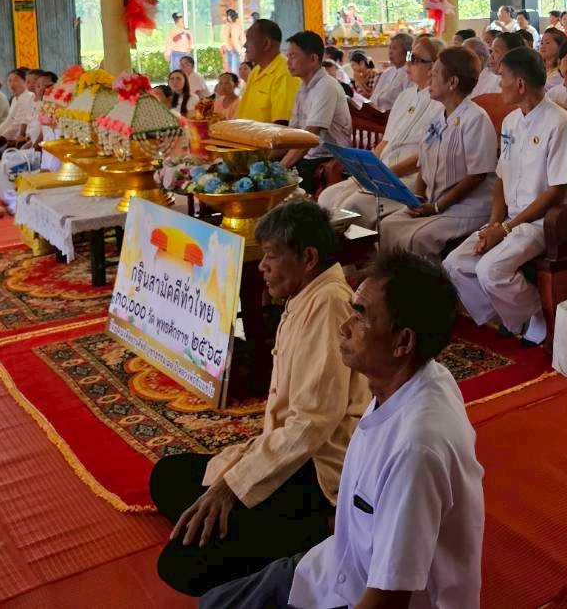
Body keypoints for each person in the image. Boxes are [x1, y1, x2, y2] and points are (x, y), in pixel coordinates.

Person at [198, 251, 483, 609]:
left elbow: (388, 600)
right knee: (212, 601)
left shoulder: (416, 449)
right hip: (334, 565)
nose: (344, 326)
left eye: (360, 316)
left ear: (403, 342)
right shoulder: (415, 378)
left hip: (359, 594)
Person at [149, 203, 367, 597]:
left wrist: (231, 488)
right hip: (291, 451)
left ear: (308, 258)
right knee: (167, 476)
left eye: (270, 256)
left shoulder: (329, 303)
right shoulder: (308, 294)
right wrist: (233, 479)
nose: (262, 267)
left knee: (179, 566)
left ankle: (314, 534)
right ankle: (255, 528)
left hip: (318, 471)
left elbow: (311, 425)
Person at [444, 47, 567, 344]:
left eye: (502, 78)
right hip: (512, 218)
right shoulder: (511, 122)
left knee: (490, 270)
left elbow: (556, 191)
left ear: (520, 84)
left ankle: (536, 313)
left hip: (549, 220)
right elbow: (501, 177)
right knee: (455, 264)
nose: (499, 84)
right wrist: (494, 225)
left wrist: (506, 229)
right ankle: (511, 315)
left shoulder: (559, 123)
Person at [383, 47, 499, 259]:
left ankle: (425, 279)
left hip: (465, 205)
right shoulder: (436, 115)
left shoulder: (476, 119)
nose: (429, 76)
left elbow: (477, 175)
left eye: (435, 73)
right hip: (434, 200)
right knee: (387, 224)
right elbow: (423, 162)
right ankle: (390, 278)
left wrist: (438, 206)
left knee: (416, 238)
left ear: (452, 82)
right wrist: (418, 197)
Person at [319, 36, 442, 229]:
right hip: (382, 171)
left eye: (415, 59)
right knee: (327, 197)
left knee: (352, 206)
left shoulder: (441, 102)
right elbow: (386, 141)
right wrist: (366, 169)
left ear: (434, 66)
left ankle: (356, 246)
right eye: (409, 57)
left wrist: (388, 174)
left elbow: (426, 155)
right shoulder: (405, 96)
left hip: (410, 177)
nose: (408, 63)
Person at [280, 31, 354, 192]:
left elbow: (311, 135)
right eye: (287, 56)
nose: (288, 62)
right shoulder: (303, 87)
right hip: (309, 155)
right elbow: (294, 133)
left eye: (293, 56)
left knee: (279, 184)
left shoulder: (326, 86)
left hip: (329, 159)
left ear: (313, 59)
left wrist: (279, 169)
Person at [235, 19, 297, 125]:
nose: (244, 45)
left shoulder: (284, 74)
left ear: (266, 44)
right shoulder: (255, 71)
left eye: (249, 40)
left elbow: (282, 126)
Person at [367, 34, 413, 117]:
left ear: (406, 52)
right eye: (390, 48)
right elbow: (374, 97)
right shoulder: (386, 73)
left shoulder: (409, 75)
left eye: (394, 48)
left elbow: (407, 105)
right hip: (372, 114)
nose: (390, 52)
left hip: (390, 117)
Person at [539, 26, 567, 92]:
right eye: (542, 43)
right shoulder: (539, 69)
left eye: (547, 43)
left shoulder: (561, 74)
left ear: (559, 46)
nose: (542, 46)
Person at [219, 8, 243, 73]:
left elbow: (227, 38)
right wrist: (234, 49)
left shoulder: (231, 25)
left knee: (232, 68)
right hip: (234, 49)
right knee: (234, 69)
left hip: (232, 48)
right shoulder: (233, 25)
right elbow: (231, 39)